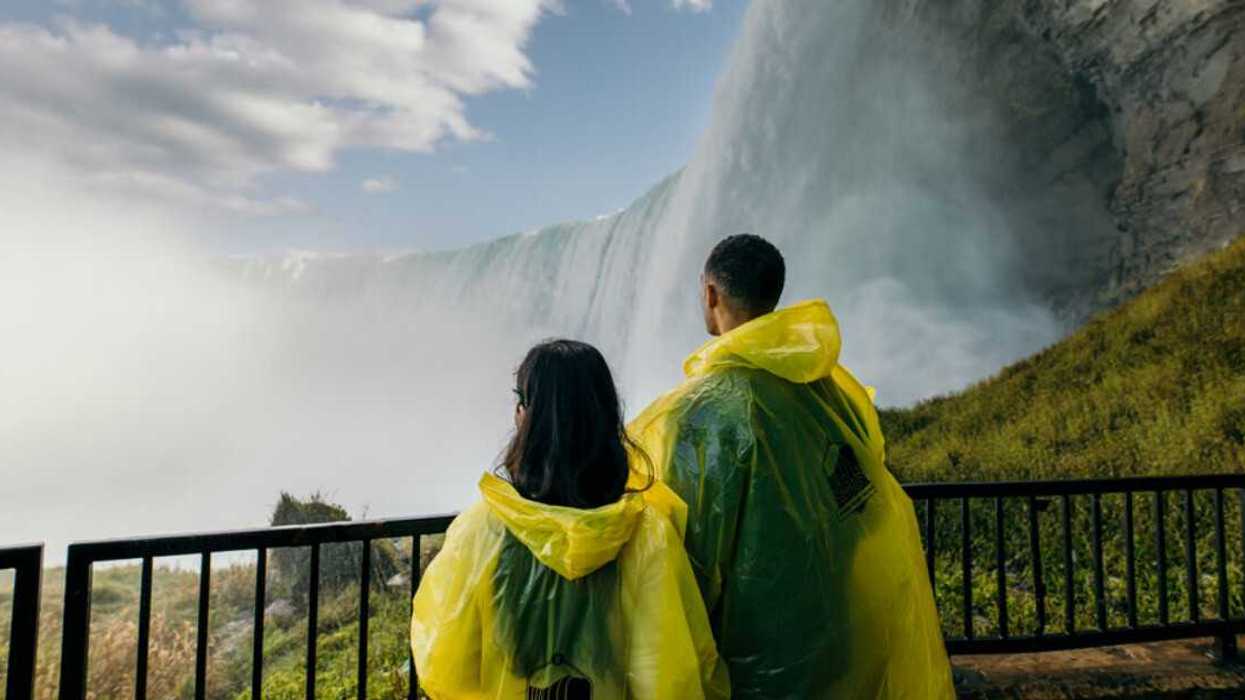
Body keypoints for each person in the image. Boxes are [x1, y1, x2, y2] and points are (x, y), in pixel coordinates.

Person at [629, 234, 954, 698]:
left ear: (710, 294)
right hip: (840, 646)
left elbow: (680, 558)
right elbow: (868, 505)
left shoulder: (695, 415)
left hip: (749, 667)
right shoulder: (830, 394)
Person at [411, 339, 730, 699]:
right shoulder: (646, 537)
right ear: (608, 418)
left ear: (524, 416)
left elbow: (445, 666)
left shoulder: (483, 531)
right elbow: (670, 680)